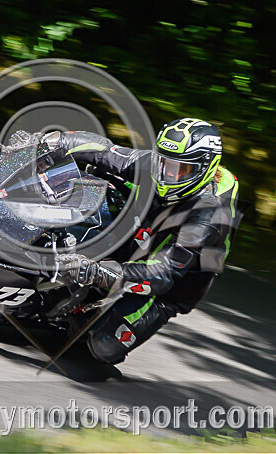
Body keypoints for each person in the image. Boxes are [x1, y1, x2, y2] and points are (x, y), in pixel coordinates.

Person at [48, 118, 240, 365]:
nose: (167, 175)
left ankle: (89, 311)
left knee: (102, 347)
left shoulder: (210, 216)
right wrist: (51, 142)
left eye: (179, 170)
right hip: (144, 238)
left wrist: (95, 272)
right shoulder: (159, 167)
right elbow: (106, 151)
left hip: (168, 289)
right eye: (163, 163)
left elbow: (161, 274)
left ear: (204, 169)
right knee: (96, 174)